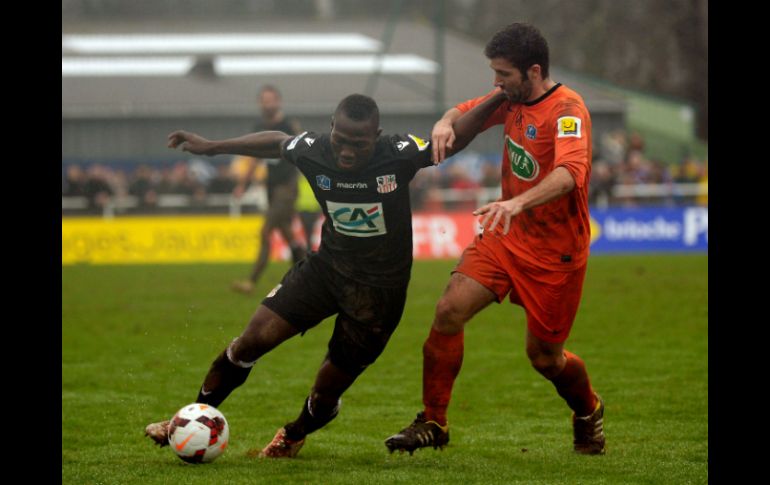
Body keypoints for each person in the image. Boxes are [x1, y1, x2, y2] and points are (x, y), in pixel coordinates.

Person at [144, 94, 488, 458]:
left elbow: (453, 140)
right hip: (326, 270)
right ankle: (190, 419)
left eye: (359, 144)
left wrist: (498, 98)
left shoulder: (399, 153)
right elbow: (277, 142)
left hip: (378, 296)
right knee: (249, 342)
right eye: (341, 141)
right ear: (331, 130)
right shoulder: (314, 149)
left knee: (325, 393)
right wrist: (213, 147)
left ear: (377, 136)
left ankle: (293, 434)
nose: (347, 152)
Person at [384, 23, 605, 456]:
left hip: (555, 254)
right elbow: (460, 111)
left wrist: (518, 203)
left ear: (533, 71)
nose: (496, 82)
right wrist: (444, 122)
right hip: (505, 236)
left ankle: (588, 411)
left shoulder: (568, 111)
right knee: (448, 310)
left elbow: (569, 174)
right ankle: (434, 421)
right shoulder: (510, 100)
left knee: (545, 359)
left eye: (503, 74)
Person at [231, 84, 306, 294]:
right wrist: (242, 185)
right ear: (259, 103)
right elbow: (254, 160)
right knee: (289, 235)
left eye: (271, 99)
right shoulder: (258, 127)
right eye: (264, 99)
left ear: (278, 101)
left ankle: (251, 282)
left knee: (265, 231)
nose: (268, 103)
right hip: (271, 189)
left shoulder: (289, 126)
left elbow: (303, 152)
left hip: (287, 188)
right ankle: (306, 277)